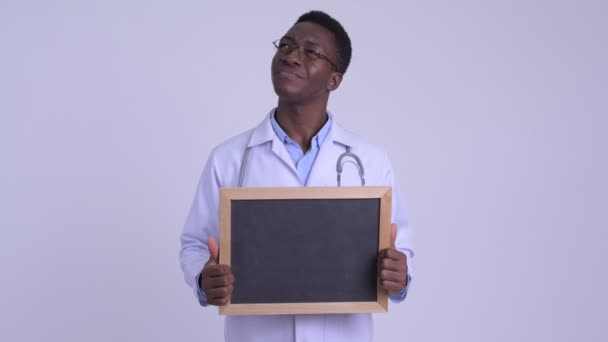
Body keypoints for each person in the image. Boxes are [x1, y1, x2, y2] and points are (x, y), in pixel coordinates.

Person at [180, 10, 414, 342]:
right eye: (286, 45)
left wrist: (400, 276)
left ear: (334, 79)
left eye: (310, 51)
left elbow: (401, 250)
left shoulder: (371, 161)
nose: (291, 56)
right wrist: (204, 278)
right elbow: (194, 243)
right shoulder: (229, 158)